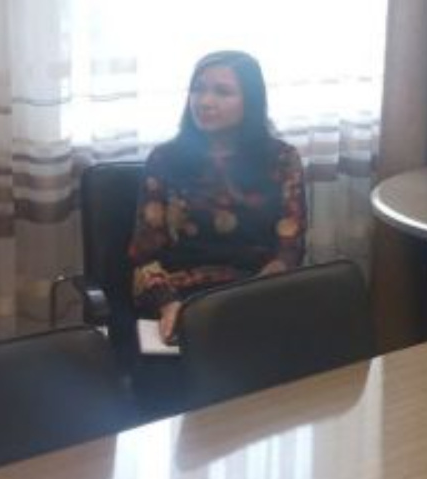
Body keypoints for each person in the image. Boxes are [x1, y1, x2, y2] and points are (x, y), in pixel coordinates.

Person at [129, 51, 307, 342]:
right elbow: (144, 254)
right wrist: (169, 305)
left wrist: (246, 303)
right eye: (198, 89)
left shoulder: (281, 159)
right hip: (179, 297)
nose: (205, 101)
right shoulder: (165, 159)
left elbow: (290, 250)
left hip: (255, 295)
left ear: (250, 101)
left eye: (223, 92)